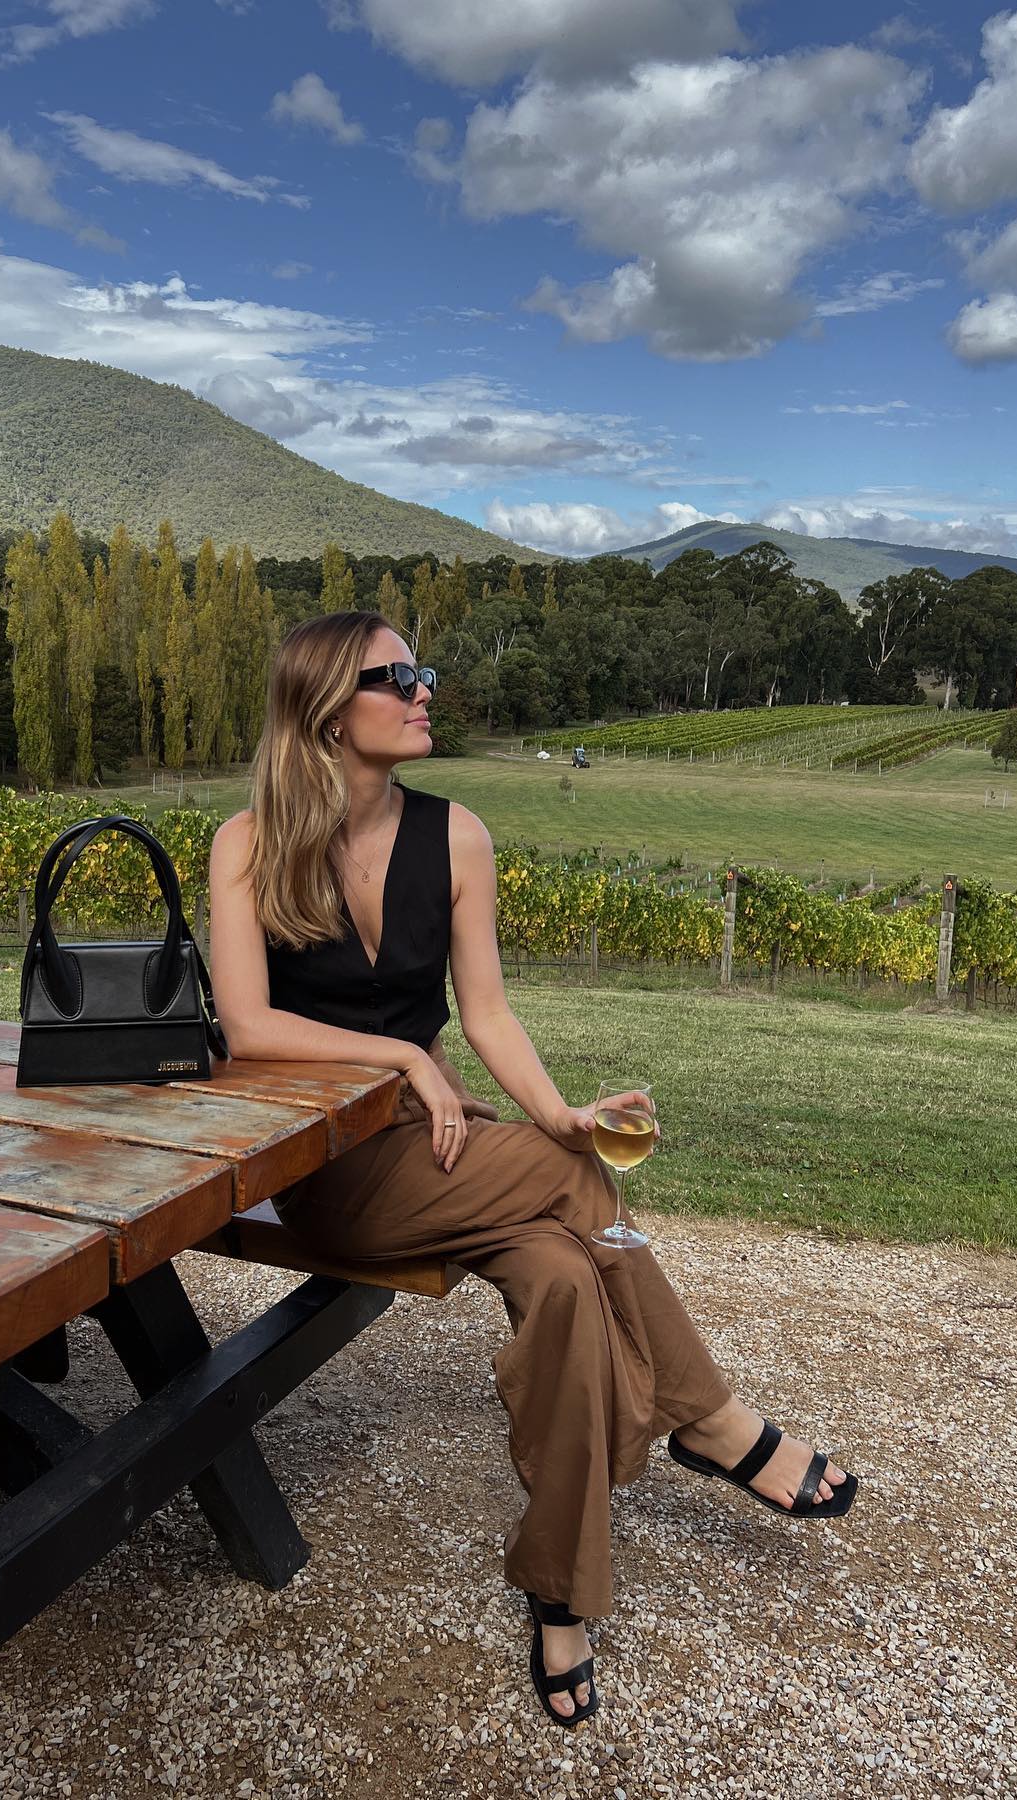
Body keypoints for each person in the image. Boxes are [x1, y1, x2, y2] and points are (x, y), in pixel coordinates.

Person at [207, 611, 856, 1728]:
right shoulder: (250, 843)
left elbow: (489, 1014)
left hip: (439, 1145)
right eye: (397, 676)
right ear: (327, 705)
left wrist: (560, 1112)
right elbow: (248, 1026)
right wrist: (404, 1057)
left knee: (562, 1280)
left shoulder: (456, 836)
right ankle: (711, 1419)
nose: (425, 690)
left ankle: (560, 1589)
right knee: (577, 1182)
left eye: (423, 671)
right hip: (330, 1167)